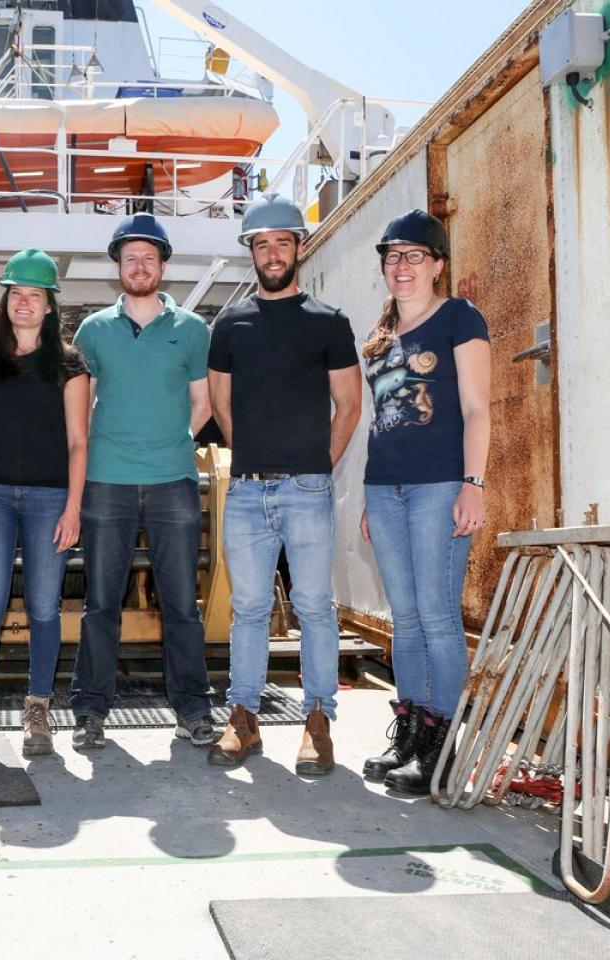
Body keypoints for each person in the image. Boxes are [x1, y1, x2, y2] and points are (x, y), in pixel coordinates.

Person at [206, 192, 362, 775]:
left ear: (299, 247)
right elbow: (221, 404)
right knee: (247, 608)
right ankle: (243, 719)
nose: (272, 253)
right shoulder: (231, 322)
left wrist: (315, 465)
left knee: (314, 608)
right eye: (261, 244)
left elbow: (348, 405)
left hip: (308, 490)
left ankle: (317, 721)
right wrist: (254, 454)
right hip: (247, 490)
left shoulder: (329, 322)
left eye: (282, 242)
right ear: (252, 252)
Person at [68, 214, 216, 751]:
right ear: (118, 267)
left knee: (181, 604)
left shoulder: (193, 329)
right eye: (130, 257)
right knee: (101, 603)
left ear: (162, 264)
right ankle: (90, 710)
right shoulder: (94, 331)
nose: (139, 265)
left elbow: (203, 402)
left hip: (173, 480)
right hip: (106, 481)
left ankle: (193, 709)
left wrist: (175, 439)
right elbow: (79, 406)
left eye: (148, 257)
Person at [359, 209, 490, 795]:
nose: (402, 266)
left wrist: (473, 483)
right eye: (393, 256)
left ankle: (441, 748)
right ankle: (409, 736)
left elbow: (478, 408)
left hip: (439, 486)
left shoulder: (459, 317)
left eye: (415, 255)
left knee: (437, 616)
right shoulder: (382, 335)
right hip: (384, 489)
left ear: (438, 265)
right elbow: (383, 422)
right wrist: (370, 497)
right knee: (404, 620)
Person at [0, 249, 89, 758]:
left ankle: (37, 709)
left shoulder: (70, 365)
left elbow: (79, 441)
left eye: (34, 294)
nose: (24, 302)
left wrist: (74, 507)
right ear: (4, 300)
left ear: (50, 305)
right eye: (16, 293)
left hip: (51, 497)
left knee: (44, 609)